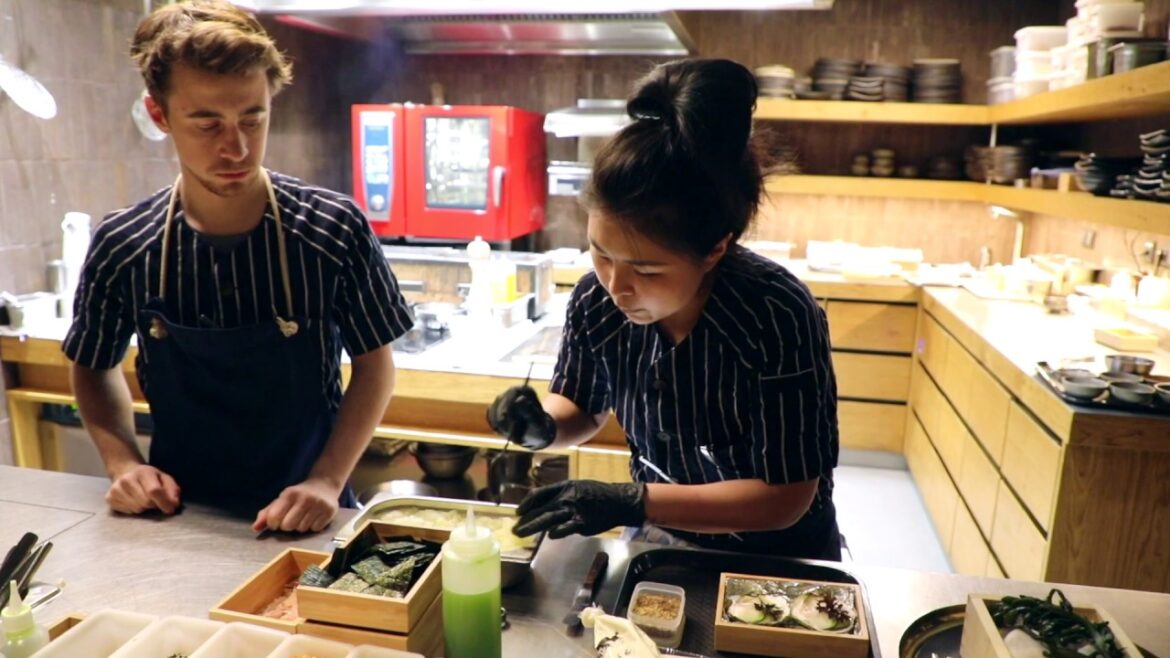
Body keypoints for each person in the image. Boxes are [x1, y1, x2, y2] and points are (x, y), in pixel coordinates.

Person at [62, 0, 413, 533]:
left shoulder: (332, 229)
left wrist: (325, 479)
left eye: (254, 117)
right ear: (159, 115)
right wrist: (124, 464)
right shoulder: (124, 243)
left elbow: (375, 367)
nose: (238, 147)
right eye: (208, 124)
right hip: (176, 515)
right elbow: (91, 364)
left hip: (311, 512)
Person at [488, 58, 841, 559]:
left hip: (779, 555)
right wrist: (541, 426)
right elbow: (582, 406)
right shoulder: (595, 299)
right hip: (659, 534)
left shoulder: (775, 312)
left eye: (647, 270)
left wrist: (636, 500)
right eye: (601, 252)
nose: (617, 286)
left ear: (715, 249)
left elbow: (785, 496)